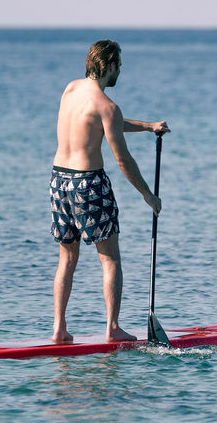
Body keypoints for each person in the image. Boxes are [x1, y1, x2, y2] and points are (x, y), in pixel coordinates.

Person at [49, 39, 169, 344]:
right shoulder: (108, 106)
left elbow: (104, 124)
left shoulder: (71, 89)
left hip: (59, 181)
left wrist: (147, 126)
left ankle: (59, 329)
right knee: (110, 259)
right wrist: (147, 195)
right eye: (120, 65)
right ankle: (113, 328)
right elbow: (122, 158)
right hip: (89, 184)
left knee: (67, 258)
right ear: (109, 65)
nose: (121, 71)